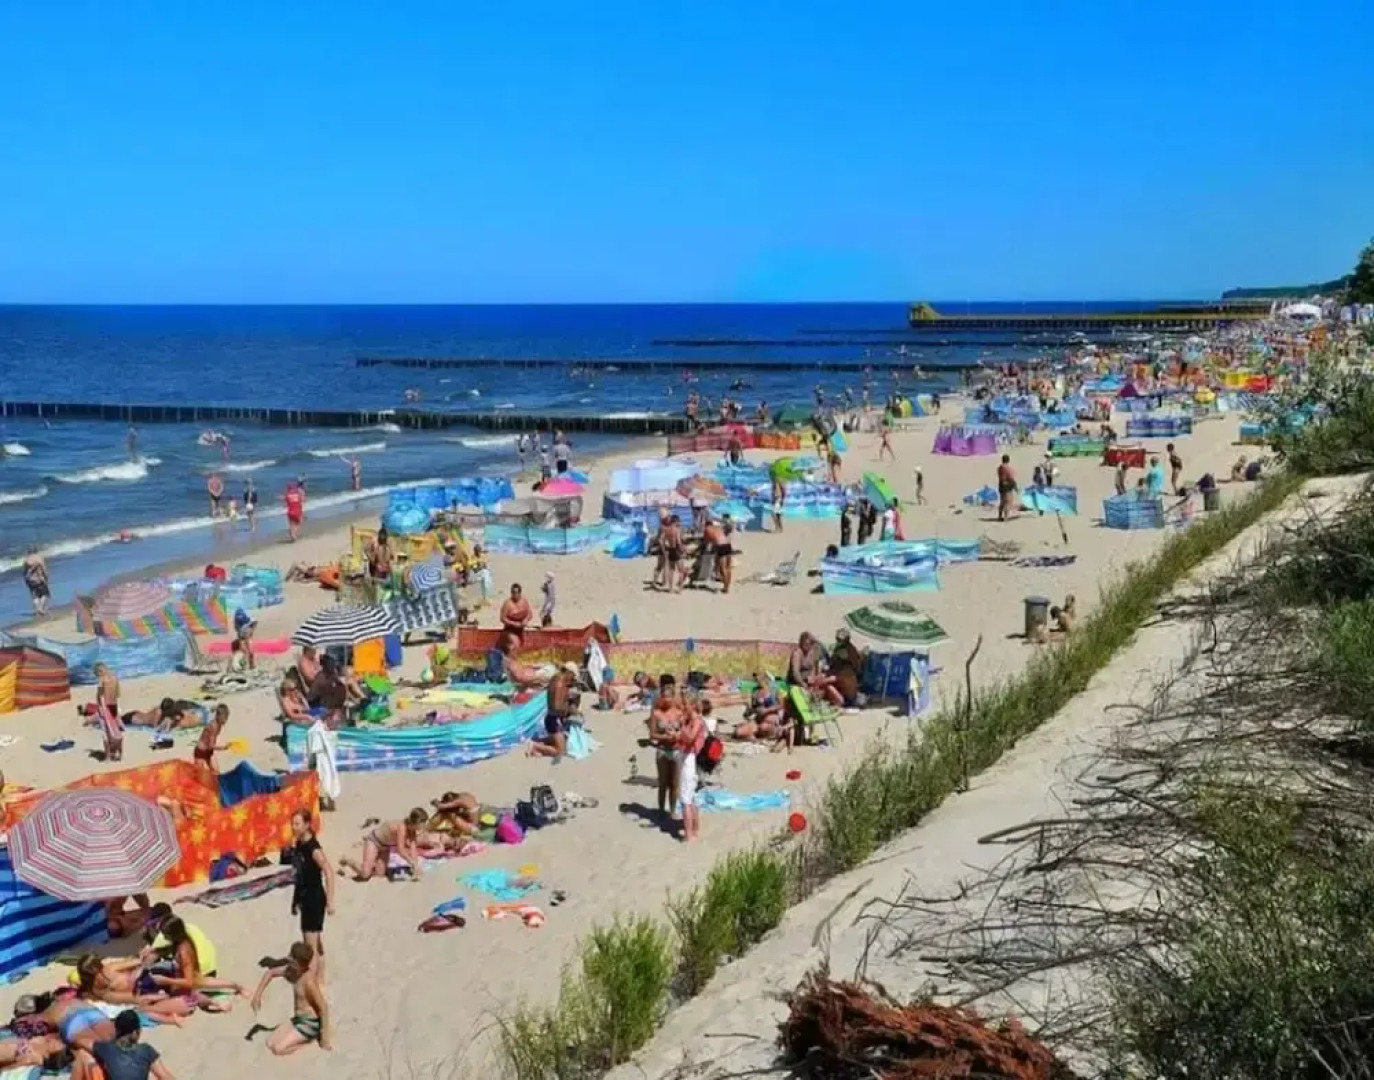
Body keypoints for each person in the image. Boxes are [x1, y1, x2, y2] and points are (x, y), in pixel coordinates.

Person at [249, 942, 331, 1055]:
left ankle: (307, 1044)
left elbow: (324, 1008)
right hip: (297, 1019)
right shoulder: (292, 971)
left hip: (309, 1023)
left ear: (300, 964)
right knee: (269, 1043)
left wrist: (324, 1038)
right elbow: (270, 973)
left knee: (278, 1049)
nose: (288, 958)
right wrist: (257, 996)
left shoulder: (308, 982)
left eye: (292, 958)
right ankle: (297, 1037)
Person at [149, 916, 245, 1001]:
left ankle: (238, 989)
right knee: (215, 984)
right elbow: (168, 949)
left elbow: (189, 982)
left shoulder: (184, 952)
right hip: (191, 976)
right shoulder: (181, 940)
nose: (164, 937)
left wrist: (166, 980)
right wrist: (154, 951)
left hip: (193, 980)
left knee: (199, 995)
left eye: (166, 934)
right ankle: (237, 987)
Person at [288, 810, 334, 975]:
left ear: (307, 825)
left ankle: (313, 982)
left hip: (314, 899)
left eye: (297, 824)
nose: (293, 827)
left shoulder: (313, 848)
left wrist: (330, 901)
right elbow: (300, 876)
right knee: (315, 942)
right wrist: (294, 901)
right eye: (292, 823)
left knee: (309, 947)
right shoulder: (300, 844)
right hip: (305, 898)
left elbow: (329, 871)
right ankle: (319, 978)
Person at [338, 809, 427, 882]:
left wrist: (416, 865)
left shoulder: (412, 832)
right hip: (374, 841)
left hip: (385, 846)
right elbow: (400, 849)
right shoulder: (402, 827)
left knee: (380, 873)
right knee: (365, 874)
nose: (421, 828)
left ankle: (370, 864)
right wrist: (412, 863)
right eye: (421, 825)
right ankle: (349, 861)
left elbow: (413, 848)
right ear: (415, 823)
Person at [89, 1008, 175, 1080]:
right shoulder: (145, 1050)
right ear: (134, 1033)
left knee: (84, 1055)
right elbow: (165, 1077)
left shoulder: (105, 1048)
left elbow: (82, 1041)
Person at [648, 675, 683, 822]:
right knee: (662, 783)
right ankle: (661, 810)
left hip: (676, 750)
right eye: (664, 697)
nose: (666, 699)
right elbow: (652, 734)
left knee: (675, 784)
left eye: (669, 697)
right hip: (662, 750)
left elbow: (684, 731)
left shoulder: (679, 713)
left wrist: (677, 736)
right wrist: (665, 738)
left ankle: (673, 810)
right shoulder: (656, 714)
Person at [530, 662, 578, 759]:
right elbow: (556, 706)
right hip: (553, 719)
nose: (572, 680)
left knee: (561, 740)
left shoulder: (557, 678)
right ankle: (535, 747)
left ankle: (539, 744)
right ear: (568, 673)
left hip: (552, 718)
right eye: (572, 676)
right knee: (561, 751)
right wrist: (570, 709)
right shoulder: (559, 684)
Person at [677, 697, 706, 842]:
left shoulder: (697, 721)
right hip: (685, 758)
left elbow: (690, 739)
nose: (683, 708)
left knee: (685, 799)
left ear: (692, 706)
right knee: (691, 797)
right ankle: (694, 829)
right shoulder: (690, 720)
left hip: (690, 760)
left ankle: (689, 834)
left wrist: (680, 727)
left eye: (685, 705)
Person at [788, 631, 843, 708]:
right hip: (799, 681)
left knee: (826, 680)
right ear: (801, 642)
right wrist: (803, 685)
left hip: (810, 680)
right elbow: (795, 673)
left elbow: (815, 667)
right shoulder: (797, 653)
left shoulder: (813, 651)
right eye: (805, 643)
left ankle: (838, 701)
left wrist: (816, 678)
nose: (807, 646)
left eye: (809, 644)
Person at [828, 629, 866, 709]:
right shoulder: (851, 648)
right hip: (851, 678)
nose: (837, 640)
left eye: (839, 639)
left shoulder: (844, 652)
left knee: (827, 686)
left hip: (845, 682)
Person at [94, 663, 123, 761]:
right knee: (117, 732)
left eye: (98, 673)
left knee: (106, 733)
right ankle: (120, 754)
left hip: (105, 707)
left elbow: (100, 696)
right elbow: (117, 695)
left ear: (99, 671)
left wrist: (100, 709)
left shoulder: (102, 679)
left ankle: (108, 757)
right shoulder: (115, 678)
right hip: (114, 706)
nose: (99, 675)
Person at [193, 705, 231, 773]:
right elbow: (210, 745)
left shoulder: (219, 724)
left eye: (227, 717)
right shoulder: (213, 726)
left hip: (209, 752)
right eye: (224, 717)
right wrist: (223, 747)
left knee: (216, 773)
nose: (226, 720)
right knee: (198, 775)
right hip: (200, 752)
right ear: (218, 716)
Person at [21, 547, 49, 616]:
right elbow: (43, 568)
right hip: (39, 579)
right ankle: (40, 608)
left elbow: (24, 572)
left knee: (35, 596)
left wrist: (26, 580)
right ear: (36, 551)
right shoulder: (39, 558)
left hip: (30, 580)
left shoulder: (26, 560)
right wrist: (46, 576)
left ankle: (37, 611)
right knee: (45, 594)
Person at [996, 454, 1018, 522]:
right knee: (1008, 501)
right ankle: (1006, 517)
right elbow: (1011, 478)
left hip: (1001, 485)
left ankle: (999, 516)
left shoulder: (999, 467)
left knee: (1002, 501)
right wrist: (1015, 487)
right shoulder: (1007, 468)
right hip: (1007, 486)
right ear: (1008, 460)